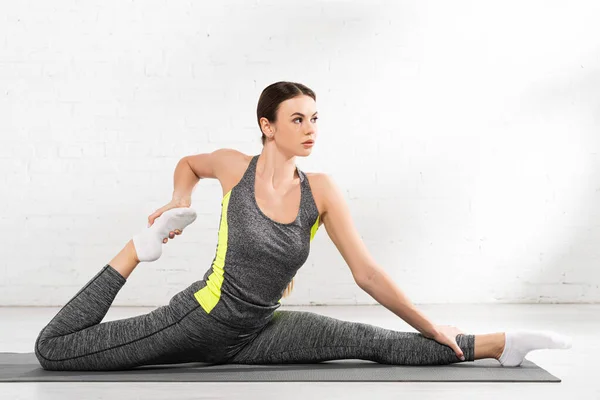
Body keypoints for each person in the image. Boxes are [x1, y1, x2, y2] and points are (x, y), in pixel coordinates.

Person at [34, 81, 571, 371]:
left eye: (315, 117)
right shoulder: (233, 166)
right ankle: (136, 249)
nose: (310, 128)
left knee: (372, 340)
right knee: (54, 350)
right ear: (267, 127)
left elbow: (367, 273)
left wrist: (431, 324)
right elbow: (189, 164)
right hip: (199, 320)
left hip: (258, 331)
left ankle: (504, 343)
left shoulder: (323, 191)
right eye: (297, 119)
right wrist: (177, 200)